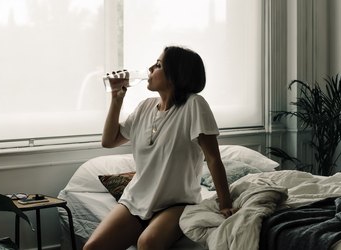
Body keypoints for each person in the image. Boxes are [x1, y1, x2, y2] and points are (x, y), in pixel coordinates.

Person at [83, 46, 236, 250]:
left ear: (175, 75)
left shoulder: (194, 105)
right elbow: (108, 141)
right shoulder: (144, 107)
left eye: (158, 65)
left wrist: (225, 204)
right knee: (92, 248)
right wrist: (116, 99)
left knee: (147, 243)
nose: (150, 68)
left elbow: (213, 159)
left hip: (177, 203)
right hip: (136, 199)